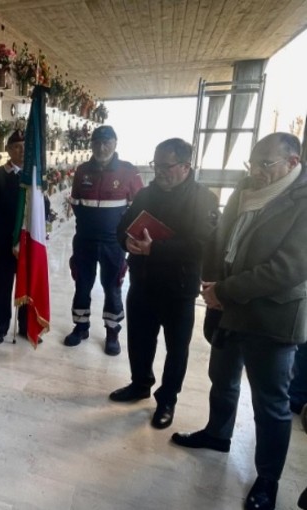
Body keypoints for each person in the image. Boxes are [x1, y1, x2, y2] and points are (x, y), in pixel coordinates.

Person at [172, 133, 307, 510]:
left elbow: (288, 269)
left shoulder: (302, 200)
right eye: (253, 163)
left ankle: (267, 479)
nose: (257, 172)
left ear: (292, 163)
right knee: (223, 378)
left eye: (267, 164)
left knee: (271, 403)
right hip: (228, 308)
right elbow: (220, 238)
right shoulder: (246, 188)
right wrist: (211, 283)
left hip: (272, 316)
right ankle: (218, 434)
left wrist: (225, 290)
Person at [109, 138, 219, 429]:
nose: (159, 171)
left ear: (185, 166)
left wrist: (154, 249)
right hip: (142, 281)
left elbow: (201, 245)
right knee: (139, 340)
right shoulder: (146, 194)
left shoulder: (204, 199)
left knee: (177, 348)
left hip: (178, 288)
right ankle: (140, 383)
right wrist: (127, 241)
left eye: (165, 166)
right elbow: (123, 226)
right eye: (156, 165)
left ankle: (167, 399)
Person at [64, 125, 143, 355]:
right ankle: (80, 327)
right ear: (91, 144)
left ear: (115, 143)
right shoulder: (82, 171)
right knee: (82, 285)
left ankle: (112, 333)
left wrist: (128, 237)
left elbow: (139, 210)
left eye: (106, 142)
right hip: (85, 241)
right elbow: (77, 203)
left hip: (113, 243)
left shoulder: (129, 172)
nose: (101, 147)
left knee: (112, 287)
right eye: (97, 142)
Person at [0, 129, 29, 344]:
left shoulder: (34, 177)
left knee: (27, 283)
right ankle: (1, 326)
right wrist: (12, 238)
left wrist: (23, 237)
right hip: (3, 241)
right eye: (16, 147)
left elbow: (42, 209)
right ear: (9, 150)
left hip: (28, 241)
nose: (21, 151)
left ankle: (26, 325)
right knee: (2, 284)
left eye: (24, 146)